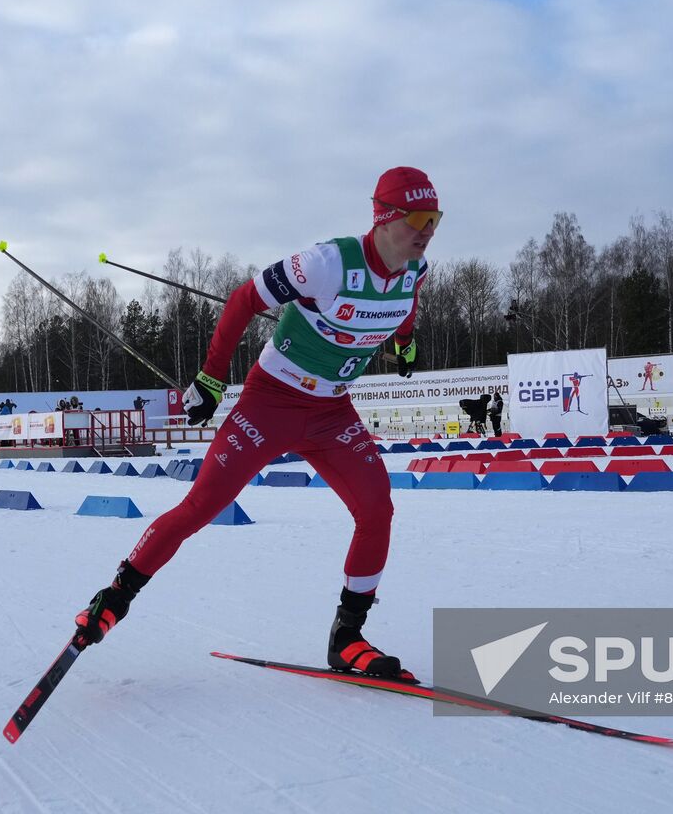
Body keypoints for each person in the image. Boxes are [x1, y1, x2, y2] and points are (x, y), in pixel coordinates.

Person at [73, 167, 440, 682]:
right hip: (270, 404)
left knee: (378, 509)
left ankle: (347, 638)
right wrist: (211, 378)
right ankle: (112, 600)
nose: (429, 230)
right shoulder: (326, 263)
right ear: (384, 218)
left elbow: (406, 306)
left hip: (332, 412)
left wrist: (405, 342)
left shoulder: (415, 270)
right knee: (200, 508)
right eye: (420, 219)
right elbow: (244, 300)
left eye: (436, 219)